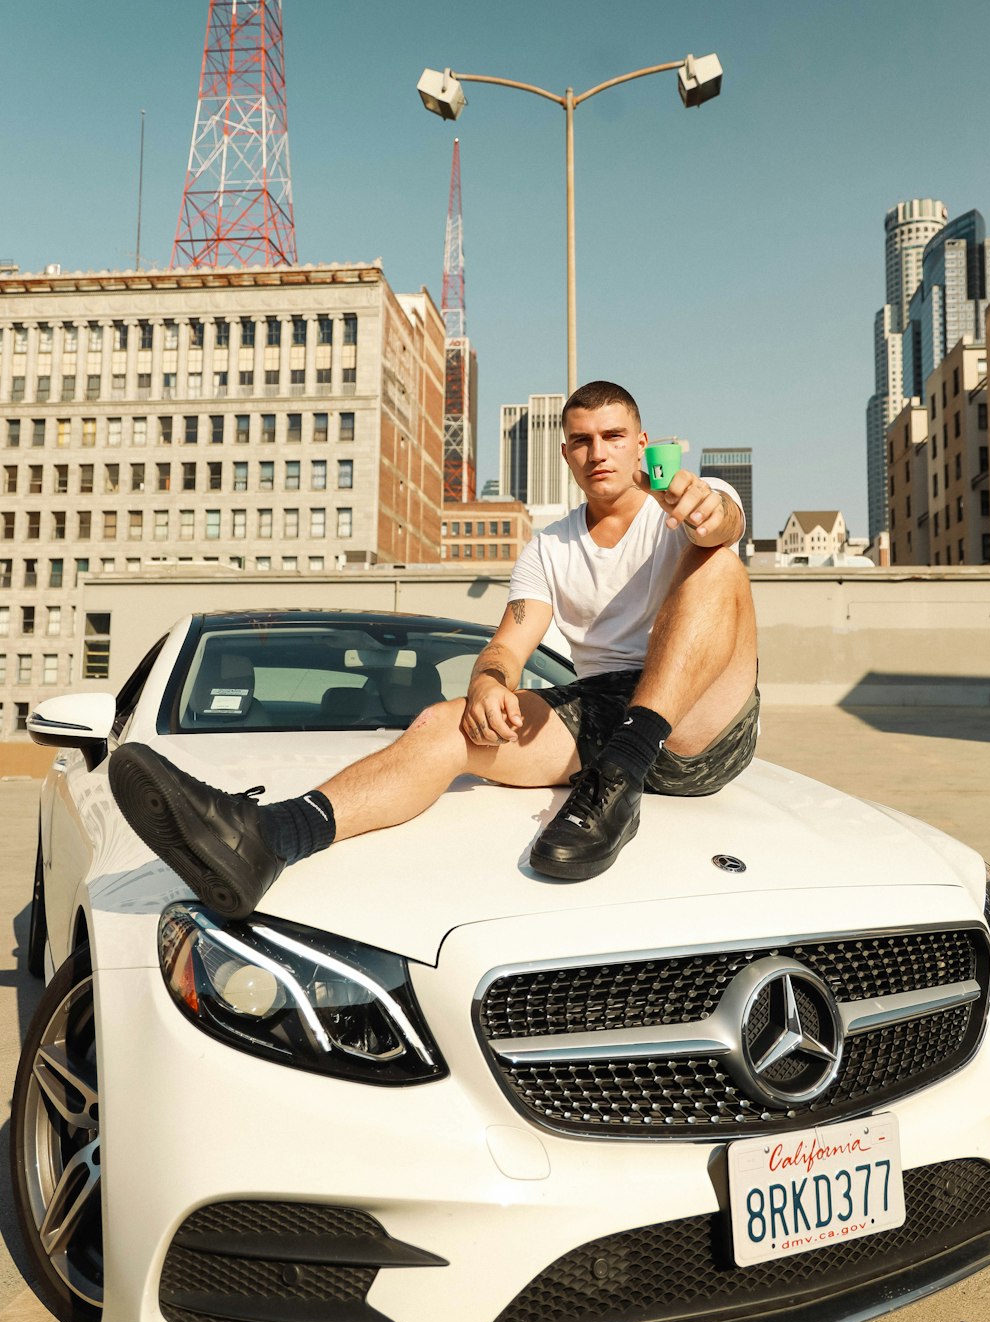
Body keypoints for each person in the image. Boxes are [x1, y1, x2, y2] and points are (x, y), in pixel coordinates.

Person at [108, 381, 759, 920]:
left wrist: (709, 515)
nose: (599, 453)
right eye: (583, 441)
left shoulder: (692, 503)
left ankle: (620, 774)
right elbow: (509, 641)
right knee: (442, 724)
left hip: (696, 719)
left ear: (642, 444)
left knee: (717, 562)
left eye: (614, 437)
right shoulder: (549, 548)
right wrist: (488, 682)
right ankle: (267, 837)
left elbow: (724, 521)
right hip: (603, 711)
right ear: (565, 452)